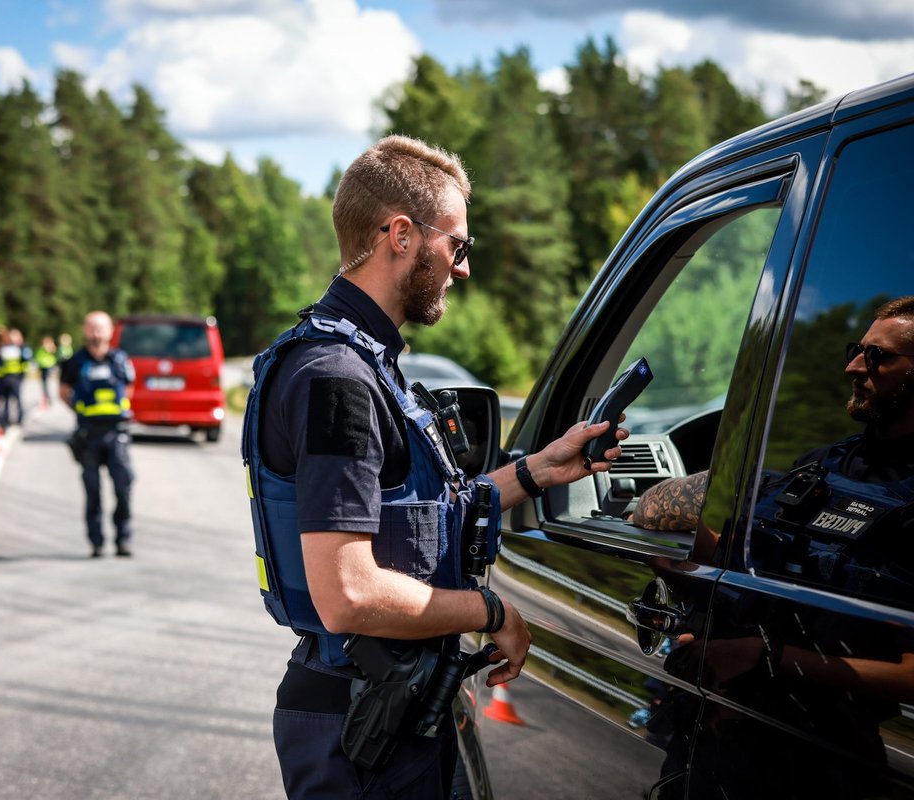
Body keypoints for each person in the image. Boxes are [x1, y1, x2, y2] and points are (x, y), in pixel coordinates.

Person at [242, 135, 628, 799]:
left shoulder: (366, 365)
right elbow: (349, 594)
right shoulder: (337, 380)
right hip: (365, 728)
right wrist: (488, 609)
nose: (463, 267)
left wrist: (537, 471)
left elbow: (418, 515)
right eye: (458, 245)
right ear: (400, 235)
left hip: (389, 711)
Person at [632, 295, 914, 798]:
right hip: (713, 740)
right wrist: (678, 542)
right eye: (859, 349)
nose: (854, 366)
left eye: (878, 356)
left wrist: (760, 655)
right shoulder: (820, 465)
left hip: (818, 767)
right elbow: (739, 567)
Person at [60, 311, 135, 558]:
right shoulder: (75, 361)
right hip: (89, 435)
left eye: (100, 328)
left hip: (116, 434)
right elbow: (63, 391)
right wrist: (80, 412)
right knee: (92, 492)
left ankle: (123, 539)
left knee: (123, 489)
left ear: (110, 331)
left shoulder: (120, 359)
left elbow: (130, 387)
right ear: (85, 331)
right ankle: (96, 542)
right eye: (91, 328)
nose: (96, 333)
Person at [0, 326, 26, 433]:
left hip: (9, 378)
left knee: (12, 400)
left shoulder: (12, 348)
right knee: (6, 402)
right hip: (7, 379)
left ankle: (13, 420)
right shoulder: (3, 349)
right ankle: (6, 421)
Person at [35, 335, 58, 410]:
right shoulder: (41, 350)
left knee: (49, 384)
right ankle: (46, 398)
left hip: (49, 367)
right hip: (43, 368)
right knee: (44, 385)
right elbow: (38, 358)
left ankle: (49, 398)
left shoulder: (52, 349)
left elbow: (54, 356)